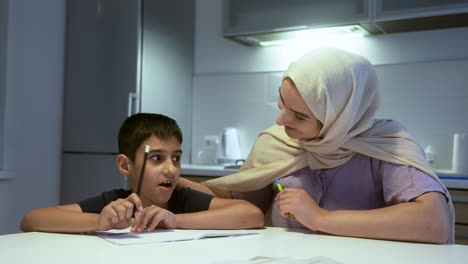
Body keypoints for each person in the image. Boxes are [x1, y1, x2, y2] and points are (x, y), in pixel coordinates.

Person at [179, 47, 454, 244]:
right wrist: (175, 183)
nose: (280, 120)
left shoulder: (386, 144)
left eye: (299, 115)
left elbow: (433, 222)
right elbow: (238, 202)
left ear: (340, 118)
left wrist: (320, 218)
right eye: (281, 103)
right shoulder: (276, 141)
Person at [20, 113, 264, 233]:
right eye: (157, 158)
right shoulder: (115, 203)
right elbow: (31, 220)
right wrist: (99, 221)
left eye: (176, 158)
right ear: (125, 165)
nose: (171, 169)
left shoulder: (183, 199)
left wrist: (176, 220)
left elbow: (252, 215)